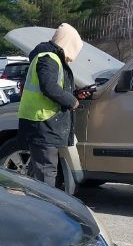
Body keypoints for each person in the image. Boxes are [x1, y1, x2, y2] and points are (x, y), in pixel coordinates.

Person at [18, 23, 84, 186]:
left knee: (39, 170)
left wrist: (74, 95)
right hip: (42, 122)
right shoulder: (49, 58)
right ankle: (44, 209)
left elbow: (54, 87)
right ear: (69, 43)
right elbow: (49, 87)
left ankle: (35, 205)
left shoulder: (48, 57)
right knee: (46, 171)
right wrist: (72, 101)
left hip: (41, 122)